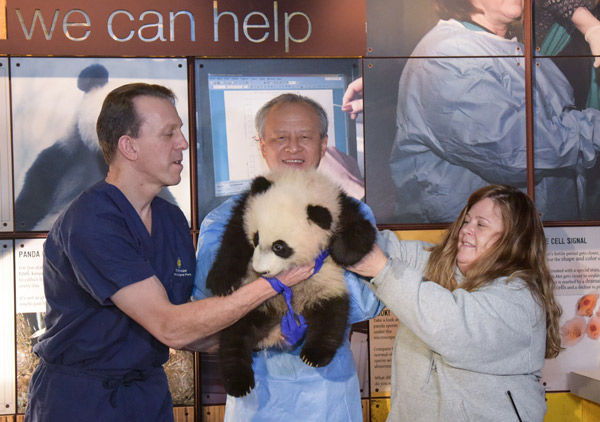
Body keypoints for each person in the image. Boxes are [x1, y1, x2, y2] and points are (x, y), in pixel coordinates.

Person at [24, 83, 312, 422]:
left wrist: (270, 335)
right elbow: (170, 327)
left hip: (148, 395)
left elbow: (192, 331)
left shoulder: (170, 218)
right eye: (168, 133)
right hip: (82, 401)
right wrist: (275, 283)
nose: (184, 143)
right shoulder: (92, 220)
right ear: (129, 147)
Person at [193, 93, 383, 422]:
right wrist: (271, 317)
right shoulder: (225, 218)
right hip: (257, 395)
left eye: (305, 137)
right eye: (280, 138)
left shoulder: (348, 212)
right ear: (262, 146)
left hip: (329, 393)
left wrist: (312, 310)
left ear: (323, 145)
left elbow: (371, 299)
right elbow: (208, 300)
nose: (293, 148)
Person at [348, 184, 562, 421]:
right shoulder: (437, 265)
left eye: (481, 225)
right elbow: (386, 249)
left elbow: (454, 327)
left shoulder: (521, 300)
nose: (466, 230)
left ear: (514, 240)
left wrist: (384, 272)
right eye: (467, 221)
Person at [386, 0, 600, 223]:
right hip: (479, 242)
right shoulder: (447, 57)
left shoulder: (511, 47)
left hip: (527, 231)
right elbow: (517, 149)